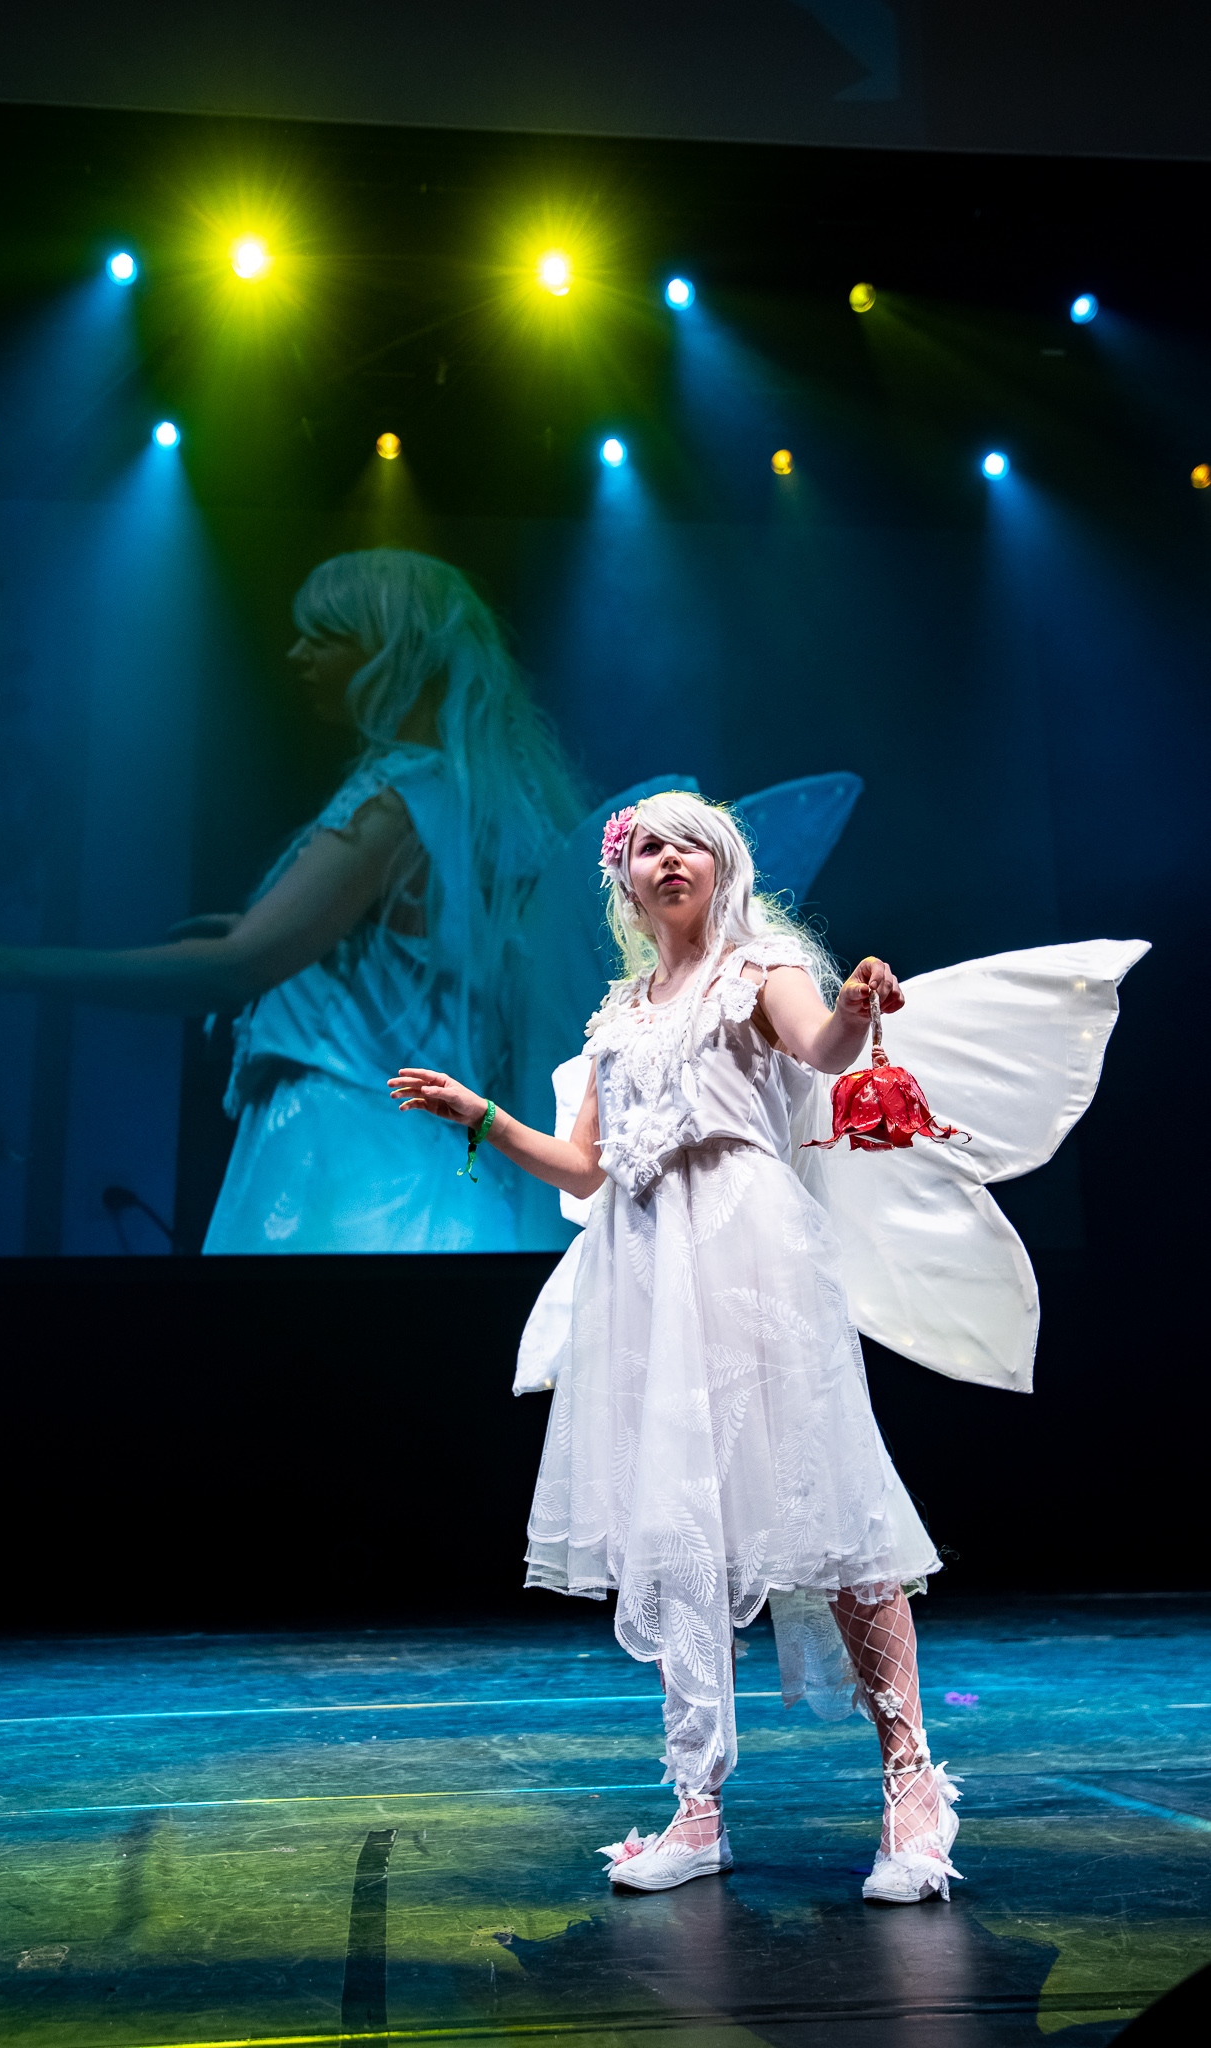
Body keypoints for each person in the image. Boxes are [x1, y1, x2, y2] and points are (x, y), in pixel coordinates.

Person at [389, 789, 959, 1903]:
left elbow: (825, 1047)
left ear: (721, 865)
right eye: (646, 844)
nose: (666, 857)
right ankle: (695, 1807)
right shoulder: (620, 1014)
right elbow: (586, 1166)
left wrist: (853, 1004)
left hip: (748, 1256)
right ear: (624, 877)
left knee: (828, 1507)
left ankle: (911, 1784)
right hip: (646, 1271)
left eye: (688, 842)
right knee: (673, 1526)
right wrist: (480, 1116)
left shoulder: (761, 969)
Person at [0, 549, 582, 1251]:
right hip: (432, 1164)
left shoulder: (395, 802)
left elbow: (237, 966)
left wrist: (12, 963)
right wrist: (311, 944)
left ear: (392, 651)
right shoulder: (479, 809)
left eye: (325, 636)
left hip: (345, 1157)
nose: (297, 654)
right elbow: (416, 952)